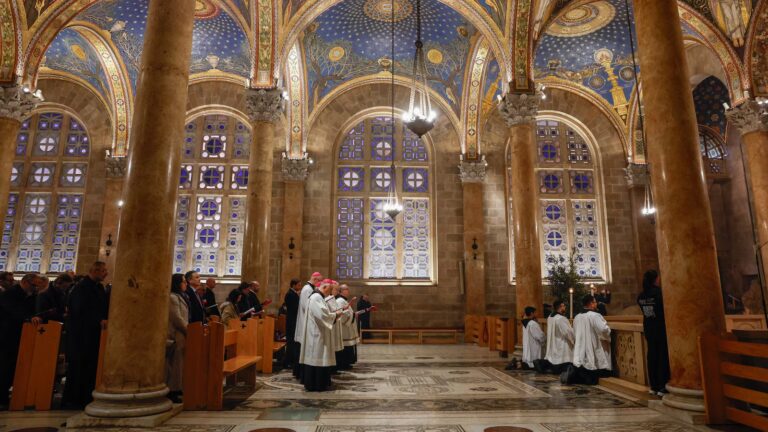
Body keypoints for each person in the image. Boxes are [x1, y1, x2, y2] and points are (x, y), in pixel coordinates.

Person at [63, 262, 109, 409]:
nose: (105, 274)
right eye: (103, 271)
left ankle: (86, 397)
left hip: (93, 336)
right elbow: (80, 310)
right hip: (81, 337)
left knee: (89, 369)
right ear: (94, 271)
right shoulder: (81, 288)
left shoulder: (99, 287)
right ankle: (74, 401)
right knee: (78, 370)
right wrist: (98, 320)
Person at [0, 273, 41, 407]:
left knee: (13, 368)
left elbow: (32, 311)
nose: (35, 288)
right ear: (25, 282)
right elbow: (13, 311)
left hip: (22, 337)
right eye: (33, 285)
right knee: (4, 367)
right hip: (6, 336)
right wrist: (28, 318)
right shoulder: (11, 294)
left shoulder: (31, 296)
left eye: (36, 286)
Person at [299, 280, 342, 391]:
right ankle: (316, 384)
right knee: (318, 357)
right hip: (316, 334)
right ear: (325, 287)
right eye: (330, 289)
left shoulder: (317, 297)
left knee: (319, 357)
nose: (331, 292)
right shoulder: (316, 298)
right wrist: (336, 314)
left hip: (318, 332)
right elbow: (322, 315)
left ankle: (320, 383)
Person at [566, 294, 611, 385]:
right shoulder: (595, 315)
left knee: (583, 364)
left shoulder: (577, 316)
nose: (596, 304)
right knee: (593, 364)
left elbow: (574, 331)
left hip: (580, 346)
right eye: (595, 302)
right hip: (593, 344)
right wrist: (608, 333)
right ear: (591, 304)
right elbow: (603, 329)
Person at [638, 270, 671, 396]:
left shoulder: (641, 296)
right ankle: (663, 386)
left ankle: (654, 385)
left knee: (652, 356)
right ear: (656, 279)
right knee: (662, 357)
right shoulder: (659, 293)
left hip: (649, 328)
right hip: (660, 328)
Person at [294, 272, 322, 379]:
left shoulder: (309, 289)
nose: (319, 284)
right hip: (304, 322)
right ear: (315, 279)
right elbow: (307, 307)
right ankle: (300, 373)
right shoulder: (307, 289)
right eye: (319, 281)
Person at [167, 273, 189, 404]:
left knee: (179, 363)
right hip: (176, 334)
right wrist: (188, 330)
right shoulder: (172, 297)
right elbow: (177, 318)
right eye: (183, 282)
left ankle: (178, 387)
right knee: (174, 364)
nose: (185, 284)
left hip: (182, 335)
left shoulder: (179, 296)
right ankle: (173, 390)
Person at [543, 300, 574, 374]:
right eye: (563, 306)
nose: (565, 307)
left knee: (556, 360)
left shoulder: (550, 317)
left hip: (554, 342)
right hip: (562, 343)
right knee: (563, 360)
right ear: (560, 307)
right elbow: (567, 332)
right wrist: (573, 340)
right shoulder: (561, 318)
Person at [336, 284, 358, 369]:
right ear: (341, 291)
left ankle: (347, 363)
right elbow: (342, 315)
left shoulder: (344, 300)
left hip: (347, 327)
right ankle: (344, 364)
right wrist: (352, 315)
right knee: (345, 346)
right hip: (344, 328)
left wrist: (352, 315)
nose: (348, 291)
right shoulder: (340, 301)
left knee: (348, 346)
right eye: (346, 289)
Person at [325, 281, 344, 372]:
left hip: (335, 322)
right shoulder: (328, 299)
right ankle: (332, 368)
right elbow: (332, 312)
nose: (337, 291)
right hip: (332, 325)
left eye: (338, 289)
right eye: (336, 289)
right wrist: (339, 312)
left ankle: (335, 366)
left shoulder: (333, 298)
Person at [283, 278, 301, 368]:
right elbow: (294, 308)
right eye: (298, 285)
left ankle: (290, 361)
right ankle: (288, 362)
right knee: (290, 342)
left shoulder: (293, 294)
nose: (300, 287)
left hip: (293, 320)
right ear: (293, 285)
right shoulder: (290, 294)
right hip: (291, 321)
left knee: (292, 342)